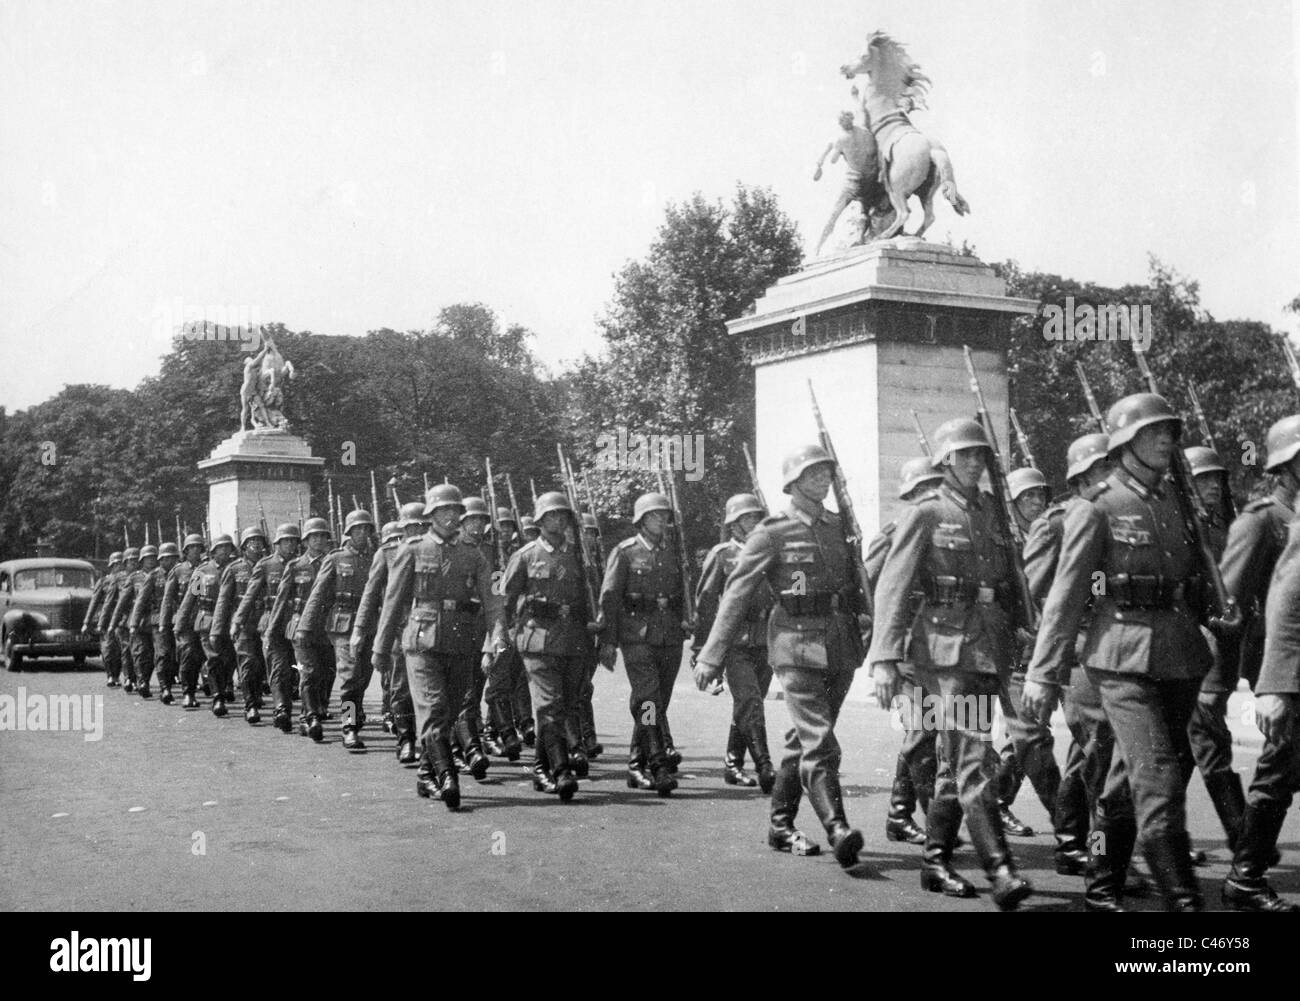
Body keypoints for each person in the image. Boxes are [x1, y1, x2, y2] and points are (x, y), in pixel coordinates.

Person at [1024, 393, 1214, 912]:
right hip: (1119, 657)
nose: (1166, 439)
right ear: (1125, 440)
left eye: (1171, 431)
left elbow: (1192, 576)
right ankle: (1185, 904)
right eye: (1154, 430)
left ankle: (1103, 883)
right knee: (1160, 780)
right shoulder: (1097, 505)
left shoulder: (1175, 501)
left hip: (1180, 653)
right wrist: (1042, 674)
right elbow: (1062, 595)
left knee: (1129, 779)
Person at [696, 445, 867, 871]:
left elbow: (855, 583)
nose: (822, 480)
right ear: (792, 482)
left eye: (826, 472)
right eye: (813, 474)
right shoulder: (773, 531)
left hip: (838, 643)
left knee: (802, 740)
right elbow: (735, 594)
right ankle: (838, 828)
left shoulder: (838, 526)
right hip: (793, 643)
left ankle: (780, 824)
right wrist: (710, 655)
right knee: (819, 738)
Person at [373, 484, 503, 811]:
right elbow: (392, 602)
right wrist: (380, 646)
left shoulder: (474, 553)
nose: (449, 516)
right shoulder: (413, 549)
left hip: (462, 641)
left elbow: (493, 602)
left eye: (455, 511)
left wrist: (495, 638)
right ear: (430, 515)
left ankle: (425, 774)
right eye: (443, 511)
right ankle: (447, 775)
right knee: (433, 707)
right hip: (421, 639)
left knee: (451, 708)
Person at [1222, 415, 1300, 912]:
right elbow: (1276, 605)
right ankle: (1245, 876)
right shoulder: (1262, 520)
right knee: (1278, 772)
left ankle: (1245, 875)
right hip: (1282, 664)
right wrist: (1270, 683)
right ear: (1287, 468)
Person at [499, 491, 599, 801]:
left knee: (565, 706)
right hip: (537, 640)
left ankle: (540, 768)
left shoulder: (579, 557)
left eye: (562, 515)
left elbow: (592, 597)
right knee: (549, 705)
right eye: (551, 515)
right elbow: (505, 600)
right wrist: (502, 636)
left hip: (573, 640)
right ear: (540, 520)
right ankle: (561, 769)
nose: (557, 520)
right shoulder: (526, 555)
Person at [865, 457, 942, 846]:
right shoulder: (895, 533)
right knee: (923, 730)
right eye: (925, 490)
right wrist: (883, 653)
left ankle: (899, 813)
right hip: (908, 647)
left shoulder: (948, 530)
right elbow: (872, 589)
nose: (933, 496)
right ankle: (934, 822)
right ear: (910, 496)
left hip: (940, 645)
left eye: (937, 488)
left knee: (925, 730)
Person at [599, 491, 688, 796]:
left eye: (664, 515)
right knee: (649, 699)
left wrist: (687, 620)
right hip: (636, 635)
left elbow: (683, 594)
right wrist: (608, 641)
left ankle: (637, 765)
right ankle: (658, 763)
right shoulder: (625, 552)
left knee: (655, 702)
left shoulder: (673, 553)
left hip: (670, 635)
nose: (660, 520)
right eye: (654, 515)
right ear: (640, 520)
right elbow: (610, 598)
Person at [692, 493, 775, 793]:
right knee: (750, 701)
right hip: (735, 641)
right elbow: (705, 605)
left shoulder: (771, 552)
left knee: (749, 703)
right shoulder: (722, 554)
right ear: (735, 524)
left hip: (766, 638)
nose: (754, 523)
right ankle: (765, 765)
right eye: (747, 519)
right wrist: (703, 650)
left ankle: (732, 764)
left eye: (757, 517)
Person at [994, 465, 1060, 839]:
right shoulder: (1004, 539)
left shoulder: (1050, 532)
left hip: (1041, 643)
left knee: (1029, 730)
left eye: (1040, 496)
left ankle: (999, 802)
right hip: (1011, 645)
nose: (1035, 502)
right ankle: (1071, 830)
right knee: (1030, 732)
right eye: (1027, 496)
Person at [297, 509, 376, 750]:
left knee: (363, 677)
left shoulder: (376, 558)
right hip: (343, 625)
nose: (362, 533)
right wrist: (305, 627)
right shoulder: (335, 558)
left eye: (366, 528)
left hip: (370, 623)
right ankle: (349, 727)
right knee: (350, 676)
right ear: (349, 532)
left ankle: (354, 714)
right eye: (357, 529)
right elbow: (317, 595)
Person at [354, 506, 426, 765]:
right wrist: (360, 630)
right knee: (401, 687)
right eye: (411, 527)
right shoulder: (387, 554)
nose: (416, 531)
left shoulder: (438, 551)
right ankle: (406, 740)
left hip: (431, 630)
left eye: (421, 526)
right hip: (399, 629)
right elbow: (371, 594)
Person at [268, 518, 333, 740]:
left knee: (327, 673)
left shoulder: (331, 562)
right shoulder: (295, 566)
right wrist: (272, 631)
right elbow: (281, 600)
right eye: (314, 536)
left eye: (323, 536)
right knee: (308, 672)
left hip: (326, 628)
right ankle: (313, 716)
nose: (319, 540)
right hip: (300, 628)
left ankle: (308, 715)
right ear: (305, 541)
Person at [235, 523, 300, 733]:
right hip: (267, 624)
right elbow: (209, 598)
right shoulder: (236, 568)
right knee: (266, 668)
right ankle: (274, 707)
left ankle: (314, 713)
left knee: (311, 674)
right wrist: (232, 621)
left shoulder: (306, 564)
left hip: (301, 625)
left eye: (293, 540)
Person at [812, 111, 893, 255]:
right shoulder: (866, 132)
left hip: (854, 182)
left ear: (841, 122)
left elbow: (833, 160)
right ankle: (858, 237)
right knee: (865, 209)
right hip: (870, 178)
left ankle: (818, 247)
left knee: (835, 213)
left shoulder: (841, 139)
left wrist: (833, 152)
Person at [213, 526, 269, 725]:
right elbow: (221, 600)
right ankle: (250, 705)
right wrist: (216, 629)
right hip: (241, 622)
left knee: (260, 665)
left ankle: (256, 696)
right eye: (251, 541)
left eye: (259, 541)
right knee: (247, 663)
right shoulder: (231, 569)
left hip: (263, 621)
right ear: (244, 546)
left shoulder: (267, 565)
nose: (256, 544)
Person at [178, 534, 238, 717]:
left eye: (228, 547)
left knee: (229, 659)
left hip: (229, 620)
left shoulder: (236, 569)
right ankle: (217, 697)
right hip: (207, 619)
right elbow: (190, 598)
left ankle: (225, 686)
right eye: (221, 548)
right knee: (213, 658)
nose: (225, 551)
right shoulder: (203, 571)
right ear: (213, 551)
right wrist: (179, 623)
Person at [165, 535, 206, 709]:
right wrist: (168, 621)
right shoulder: (179, 571)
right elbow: (169, 598)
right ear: (186, 550)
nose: (196, 550)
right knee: (188, 655)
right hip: (187, 620)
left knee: (204, 657)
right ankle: (188, 693)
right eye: (192, 547)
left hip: (205, 619)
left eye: (199, 547)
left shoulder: (208, 569)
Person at [123, 545, 160, 699]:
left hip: (156, 617)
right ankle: (141, 681)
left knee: (155, 653)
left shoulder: (162, 575)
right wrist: (127, 620)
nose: (150, 560)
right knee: (140, 652)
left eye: (153, 557)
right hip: (139, 619)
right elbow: (123, 601)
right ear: (142, 560)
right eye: (147, 558)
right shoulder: (134, 578)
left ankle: (145, 679)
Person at [83, 552, 123, 687]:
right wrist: (86, 622)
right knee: (107, 649)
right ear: (111, 565)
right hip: (106, 619)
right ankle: (110, 675)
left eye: (121, 564)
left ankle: (117, 675)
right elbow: (94, 602)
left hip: (121, 618)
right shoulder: (103, 581)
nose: (119, 566)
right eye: (116, 564)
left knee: (120, 649)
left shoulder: (126, 580)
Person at [107, 548, 141, 693]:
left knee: (139, 651)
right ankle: (129, 678)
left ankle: (140, 679)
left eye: (135, 561)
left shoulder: (142, 577)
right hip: (124, 619)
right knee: (126, 650)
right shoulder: (117, 578)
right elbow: (111, 603)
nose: (133, 564)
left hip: (140, 619)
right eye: (130, 561)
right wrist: (109, 624)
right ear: (125, 563)